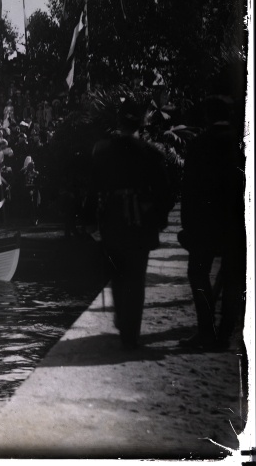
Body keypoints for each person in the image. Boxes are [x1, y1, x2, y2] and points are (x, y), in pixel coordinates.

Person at [90, 97, 174, 349]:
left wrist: (92, 220)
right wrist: (157, 219)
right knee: (136, 278)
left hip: (114, 220)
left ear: (118, 122)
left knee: (117, 274)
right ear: (142, 123)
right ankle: (131, 333)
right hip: (140, 221)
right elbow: (166, 194)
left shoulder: (103, 151)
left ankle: (123, 322)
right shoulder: (151, 154)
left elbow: (93, 188)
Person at [178, 95, 246, 350]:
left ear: (207, 116)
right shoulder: (242, 141)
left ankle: (206, 330)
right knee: (232, 278)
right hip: (237, 223)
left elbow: (189, 190)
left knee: (197, 273)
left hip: (205, 224)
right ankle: (225, 334)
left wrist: (187, 225)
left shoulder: (199, 144)